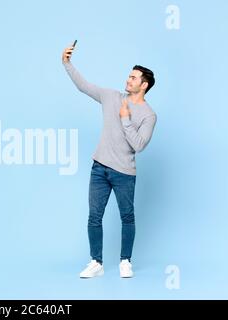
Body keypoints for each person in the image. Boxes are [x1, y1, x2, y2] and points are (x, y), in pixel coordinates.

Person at [61, 43, 157, 278]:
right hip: (99, 168)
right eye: (129, 75)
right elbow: (84, 86)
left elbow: (139, 145)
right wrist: (66, 63)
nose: (128, 79)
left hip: (124, 173)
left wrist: (125, 119)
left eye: (133, 77)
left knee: (127, 216)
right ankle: (96, 262)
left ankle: (125, 260)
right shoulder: (111, 96)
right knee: (94, 216)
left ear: (143, 85)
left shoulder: (149, 115)